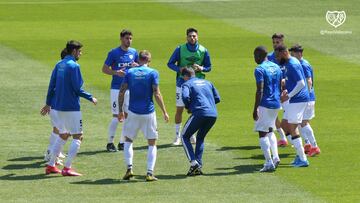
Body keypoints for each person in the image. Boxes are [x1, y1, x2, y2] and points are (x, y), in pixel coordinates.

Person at [42, 40, 97, 176]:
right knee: (78, 136)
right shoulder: (74, 66)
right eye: (79, 51)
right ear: (74, 51)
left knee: (63, 135)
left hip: (58, 106)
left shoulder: (59, 64)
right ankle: (67, 168)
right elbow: (77, 89)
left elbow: (51, 85)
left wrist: (48, 103)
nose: (81, 53)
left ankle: (50, 165)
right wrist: (90, 97)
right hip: (71, 107)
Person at [118, 50, 169, 181]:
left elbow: (122, 91)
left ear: (138, 59)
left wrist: (120, 110)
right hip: (148, 113)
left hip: (133, 112)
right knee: (152, 143)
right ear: (149, 61)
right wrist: (164, 111)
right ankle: (149, 173)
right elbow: (157, 93)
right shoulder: (153, 72)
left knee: (128, 140)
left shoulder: (130, 72)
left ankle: (129, 169)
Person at [167, 27, 212, 145]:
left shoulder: (203, 50)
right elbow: (170, 63)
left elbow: (209, 67)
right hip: (182, 83)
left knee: (195, 110)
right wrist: (179, 69)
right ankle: (177, 136)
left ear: (197, 37)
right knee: (180, 109)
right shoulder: (180, 49)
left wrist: (201, 68)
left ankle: (191, 134)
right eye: (190, 36)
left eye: (194, 36)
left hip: (197, 85)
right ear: (186, 37)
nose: (192, 38)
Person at [102, 29, 139, 152]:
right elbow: (104, 69)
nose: (129, 41)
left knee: (127, 116)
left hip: (129, 88)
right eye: (127, 38)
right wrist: (115, 72)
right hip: (116, 89)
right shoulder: (113, 53)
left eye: (130, 38)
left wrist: (137, 66)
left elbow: (141, 67)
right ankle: (110, 142)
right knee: (116, 116)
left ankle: (122, 142)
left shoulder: (134, 52)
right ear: (121, 39)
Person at [180, 67, 220, 176]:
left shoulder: (187, 84)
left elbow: (184, 96)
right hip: (213, 114)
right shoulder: (208, 82)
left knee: (184, 136)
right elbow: (217, 98)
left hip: (199, 113)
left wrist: (189, 107)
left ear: (185, 76)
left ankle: (193, 162)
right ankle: (198, 166)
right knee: (200, 137)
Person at [275, 45, 310, 167]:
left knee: (292, 127)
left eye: (279, 56)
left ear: (284, 52)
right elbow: (293, 81)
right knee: (285, 126)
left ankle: (303, 158)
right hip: (295, 99)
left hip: (298, 99)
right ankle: (299, 153)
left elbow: (301, 83)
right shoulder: (289, 63)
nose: (278, 59)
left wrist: (289, 95)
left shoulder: (292, 64)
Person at [252, 46, 282, 172]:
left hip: (265, 103)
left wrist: (255, 108)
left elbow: (260, 90)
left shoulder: (259, 69)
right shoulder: (276, 67)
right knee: (270, 131)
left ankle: (269, 162)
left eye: (255, 56)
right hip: (276, 102)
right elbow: (280, 85)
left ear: (259, 55)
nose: (254, 58)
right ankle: (275, 157)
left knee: (262, 133)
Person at [289, 44, 320, 156]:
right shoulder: (298, 63)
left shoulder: (303, 64)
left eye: (293, 54)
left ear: (299, 53)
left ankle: (315, 146)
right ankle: (307, 144)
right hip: (305, 98)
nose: (291, 56)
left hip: (308, 98)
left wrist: (306, 94)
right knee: (300, 122)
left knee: (303, 123)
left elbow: (309, 81)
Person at [41, 49, 68, 165]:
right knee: (61, 130)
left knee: (58, 129)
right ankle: (50, 154)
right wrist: (48, 104)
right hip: (57, 105)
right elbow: (53, 87)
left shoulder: (60, 68)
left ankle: (54, 152)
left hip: (58, 105)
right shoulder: (64, 69)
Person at [267, 33, 289, 147]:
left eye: (277, 42)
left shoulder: (288, 56)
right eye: (274, 43)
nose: (275, 45)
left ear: (282, 42)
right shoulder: (270, 57)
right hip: (275, 90)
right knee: (273, 113)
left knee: (290, 115)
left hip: (288, 91)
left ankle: (294, 136)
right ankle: (283, 137)